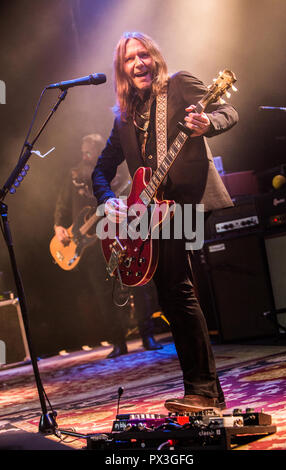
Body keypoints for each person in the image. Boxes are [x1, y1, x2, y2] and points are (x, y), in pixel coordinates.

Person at [92, 32, 238, 412]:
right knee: (173, 296)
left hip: (186, 204)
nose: (138, 63)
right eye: (130, 59)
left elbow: (228, 112)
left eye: (144, 55)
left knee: (178, 291)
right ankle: (206, 391)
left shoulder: (179, 85)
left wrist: (208, 122)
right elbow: (101, 171)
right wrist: (109, 203)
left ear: (154, 57)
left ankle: (203, 390)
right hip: (151, 214)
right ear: (122, 70)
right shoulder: (123, 117)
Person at [54, 133, 163, 358]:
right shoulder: (74, 174)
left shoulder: (117, 171)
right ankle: (117, 342)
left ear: (99, 150)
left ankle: (147, 335)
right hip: (89, 244)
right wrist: (58, 226)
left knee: (136, 283)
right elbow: (62, 204)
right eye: (84, 149)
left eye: (90, 149)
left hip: (119, 235)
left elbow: (131, 194)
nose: (86, 153)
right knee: (103, 292)